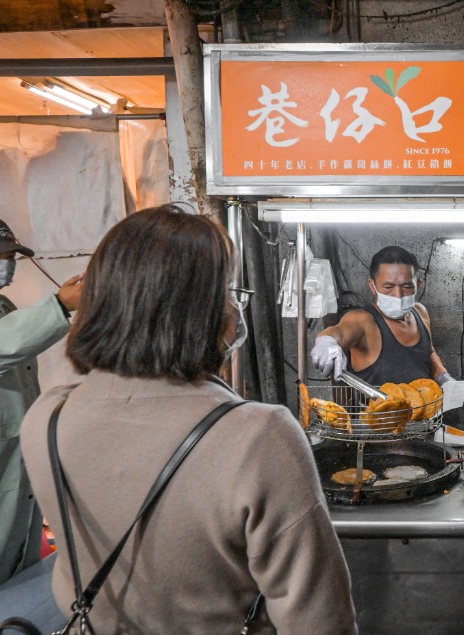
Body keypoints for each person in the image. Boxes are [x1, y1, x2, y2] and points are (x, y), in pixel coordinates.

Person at [19, 205, 357, 633]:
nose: (237, 307)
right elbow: (319, 621)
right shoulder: (259, 435)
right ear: (202, 309)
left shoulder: (47, 417)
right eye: (230, 291)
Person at [0, 216, 83, 593]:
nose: (6, 264)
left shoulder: (2, 305)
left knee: (15, 551)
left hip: (12, 448)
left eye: (11, 256)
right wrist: (59, 305)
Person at [311, 245, 453, 386]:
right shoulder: (362, 321)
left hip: (425, 407)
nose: (398, 295)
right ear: (372, 286)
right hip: (378, 408)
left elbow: (429, 352)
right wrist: (326, 342)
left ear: (418, 285)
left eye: (407, 286)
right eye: (388, 287)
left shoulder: (420, 312)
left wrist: (442, 375)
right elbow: (339, 332)